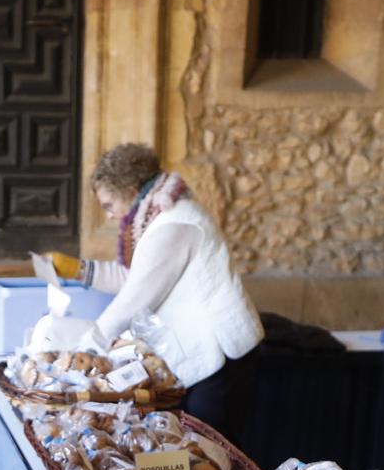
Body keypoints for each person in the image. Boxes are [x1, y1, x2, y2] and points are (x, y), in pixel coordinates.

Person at [40, 143, 263, 428]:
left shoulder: (173, 224)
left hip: (221, 356)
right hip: (213, 354)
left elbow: (133, 303)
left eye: (109, 205)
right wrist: (77, 269)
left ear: (131, 193)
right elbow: (136, 279)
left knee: (214, 452)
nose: (108, 215)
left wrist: (80, 354)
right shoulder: (160, 218)